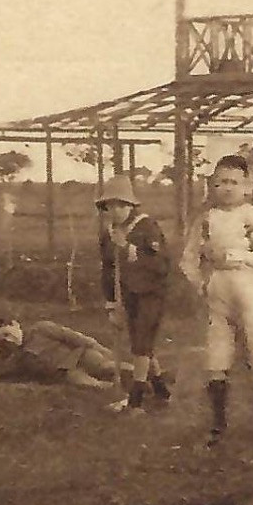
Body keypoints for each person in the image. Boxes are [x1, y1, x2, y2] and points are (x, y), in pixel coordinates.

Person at [179, 155, 253, 445]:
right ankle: (218, 426)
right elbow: (188, 259)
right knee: (217, 356)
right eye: (220, 182)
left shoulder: (252, 216)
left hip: (248, 286)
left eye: (233, 182)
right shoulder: (205, 219)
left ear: (246, 186)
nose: (226, 188)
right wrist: (201, 284)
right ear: (212, 185)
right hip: (218, 290)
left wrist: (232, 256)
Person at [96, 175, 173, 411]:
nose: (117, 210)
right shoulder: (108, 233)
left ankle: (136, 400)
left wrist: (128, 248)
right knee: (140, 341)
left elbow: (160, 265)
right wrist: (111, 304)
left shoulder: (146, 227)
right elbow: (108, 269)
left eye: (122, 205)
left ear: (131, 205)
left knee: (142, 342)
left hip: (151, 292)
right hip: (128, 294)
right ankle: (160, 387)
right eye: (111, 205)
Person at [0, 317, 125, 389]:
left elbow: (73, 337)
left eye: (8, 333)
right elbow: (0, 371)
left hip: (79, 355)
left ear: (15, 324)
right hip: (65, 373)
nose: (10, 340)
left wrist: (102, 350)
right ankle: (119, 391)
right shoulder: (17, 358)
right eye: (4, 341)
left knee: (106, 367)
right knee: (92, 385)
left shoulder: (40, 329)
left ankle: (140, 375)